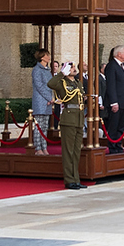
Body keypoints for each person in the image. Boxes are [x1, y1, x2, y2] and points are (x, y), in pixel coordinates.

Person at [47, 62, 86, 190]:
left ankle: (76, 178)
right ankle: (69, 180)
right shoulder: (62, 82)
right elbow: (50, 84)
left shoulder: (78, 83)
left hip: (79, 118)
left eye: (74, 67)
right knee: (68, 151)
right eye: (72, 68)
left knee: (76, 151)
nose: (74, 69)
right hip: (69, 118)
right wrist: (61, 73)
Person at [104, 45, 124, 154]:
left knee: (122, 125)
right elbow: (111, 85)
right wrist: (113, 102)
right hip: (116, 102)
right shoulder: (112, 66)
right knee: (114, 125)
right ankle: (113, 147)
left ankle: (118, 144)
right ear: (118, 54)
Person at [31, 49, 54, 156]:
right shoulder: (36, 70)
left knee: (45, 127)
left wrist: (52, 98)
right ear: (41, 57)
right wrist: (49, 98)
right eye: (46, 55)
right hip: (40, 101)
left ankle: (44, 147)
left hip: (48, 101)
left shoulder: (47, 70)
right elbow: (39, 86)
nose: (48, 57)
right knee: (38, 126)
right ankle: (38, 148)